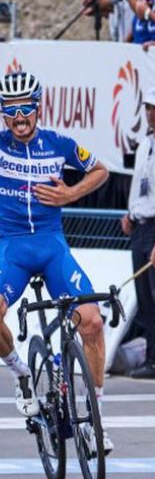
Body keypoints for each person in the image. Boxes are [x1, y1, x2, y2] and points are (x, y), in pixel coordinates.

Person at [0, 29, 113, 452]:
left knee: (92, 322)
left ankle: (95, 418)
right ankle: (21, 374)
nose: (18, 116)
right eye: (10, 110)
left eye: (25, 108)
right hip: (12, 248)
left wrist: (69, 193)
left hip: (52, 247)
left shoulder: (59, 144)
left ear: (37, 106)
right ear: (4, 112)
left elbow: (100, 170)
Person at [122, 87, 155, 380]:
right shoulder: (146, 142)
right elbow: (141, 183)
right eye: (147, 107)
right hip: (141, 224)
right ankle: (151, 357)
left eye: (152, 108)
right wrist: (131, 211)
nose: (148, 113)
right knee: (144, 294)